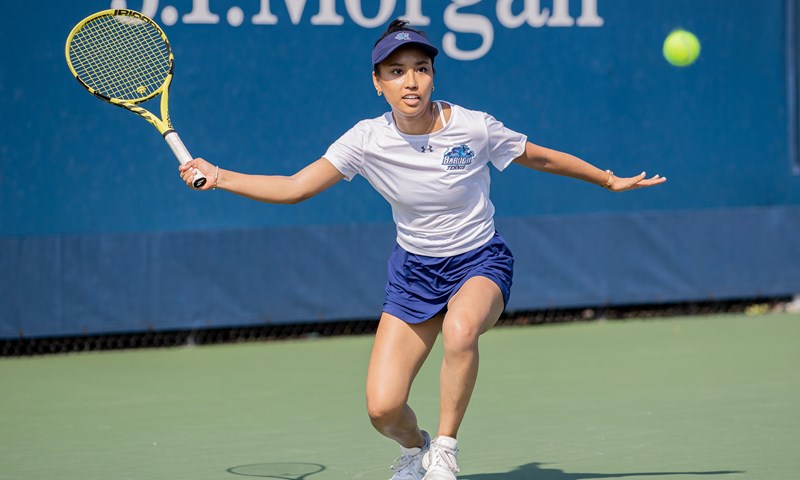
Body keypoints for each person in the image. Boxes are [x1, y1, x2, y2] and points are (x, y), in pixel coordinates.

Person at [180, 19, 666, 480]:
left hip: (480, 260)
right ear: (378, 83)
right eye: (396, 72)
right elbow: (294, 187)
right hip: (414, 274)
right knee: (383, 408)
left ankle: (447, 452)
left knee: (460, 330)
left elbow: (538, 155)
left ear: (433, 76)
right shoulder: (365, 140)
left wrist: (607, 179)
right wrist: (220, 176)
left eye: (421, 69)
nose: (410, 81)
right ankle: (417, 450)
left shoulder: (474, 127)